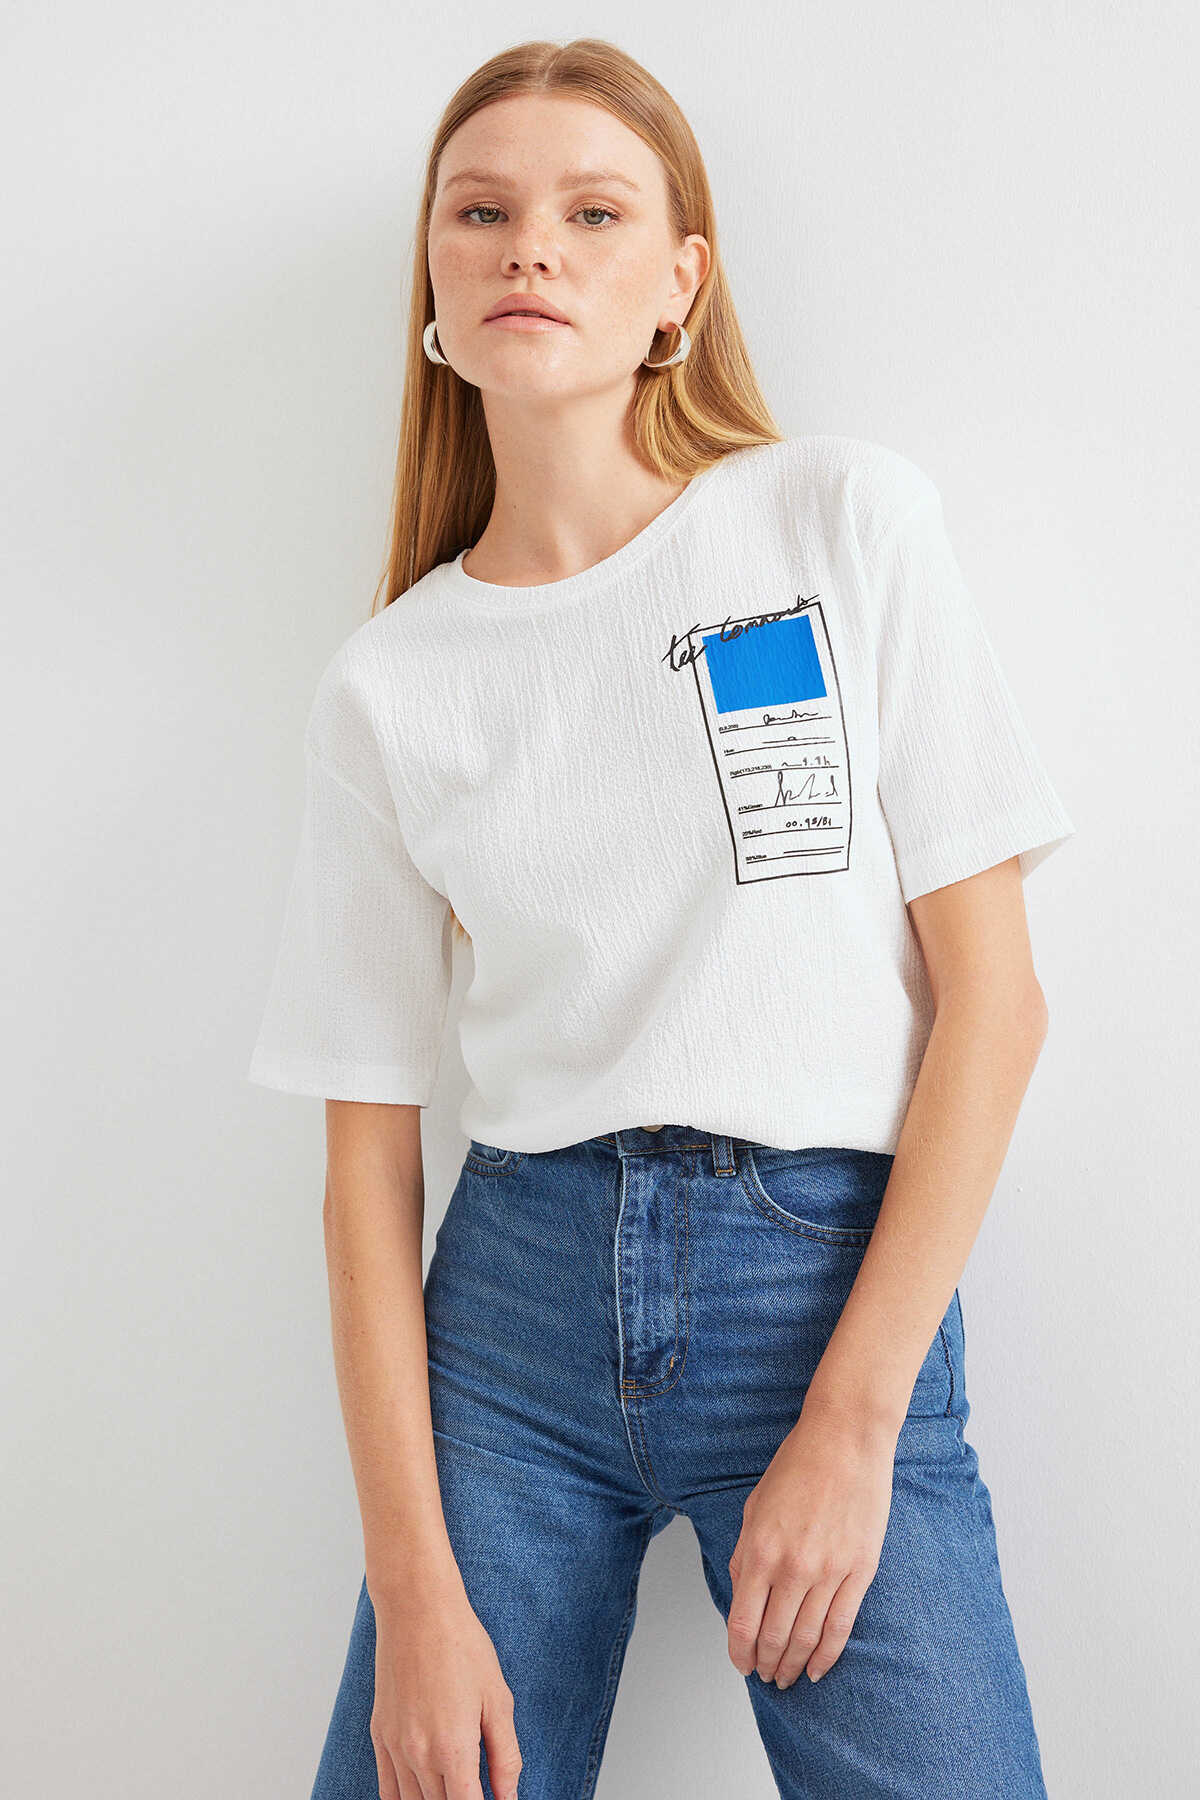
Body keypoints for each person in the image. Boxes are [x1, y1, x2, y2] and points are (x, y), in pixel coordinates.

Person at [248, 36, 1073, 1800]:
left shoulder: (836, 522)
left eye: (594, 213)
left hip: (824, 1283)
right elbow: (365, 1166)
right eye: (482, 213)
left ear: (679, 285)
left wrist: (853, 1421)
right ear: (435, 285)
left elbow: (994, 1006)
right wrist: (416, 1594)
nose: (530, 249)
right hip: (513, 1323)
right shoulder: (392, 682)